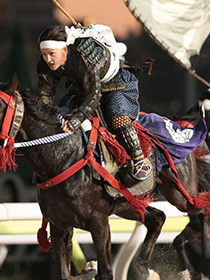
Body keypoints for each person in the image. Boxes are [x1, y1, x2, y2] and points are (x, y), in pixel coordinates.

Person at [37, 23, 153, 181]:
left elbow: (94, 95)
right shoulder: (45, 63)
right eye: (44, 55)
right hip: (84, 86)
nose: (48, 59)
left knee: (116, 116)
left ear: (65, 49)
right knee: (62, 113)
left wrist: (76, 120)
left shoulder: (85, 56)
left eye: (51, 54)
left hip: (116, 83)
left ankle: (139, 160)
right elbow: (46, 92)